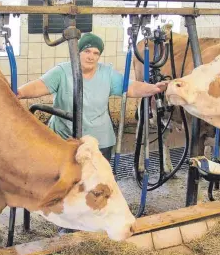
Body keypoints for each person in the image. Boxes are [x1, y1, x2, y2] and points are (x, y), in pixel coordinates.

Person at [17, 32, 168, 162]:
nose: (91, 57)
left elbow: (131, 87)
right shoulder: (62, 71)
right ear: (78, 52)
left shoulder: (107, 73)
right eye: (87, 51)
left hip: (99, 142)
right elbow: (39, 85)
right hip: (64, 139)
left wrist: (153, 88)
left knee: (96, 184)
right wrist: (19, 93)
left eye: (96, 53)